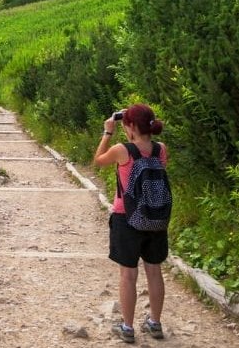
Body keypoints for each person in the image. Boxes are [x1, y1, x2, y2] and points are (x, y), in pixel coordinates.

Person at [94, 103, 167, 344]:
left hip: (127, 218)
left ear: (131, 126)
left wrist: (108, 132)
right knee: (154, 271)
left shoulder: (121, 150)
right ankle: (155, 323)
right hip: (156, 219)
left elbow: (99, 161)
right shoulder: (160, 149)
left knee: (128, 274)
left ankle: (127, 328)